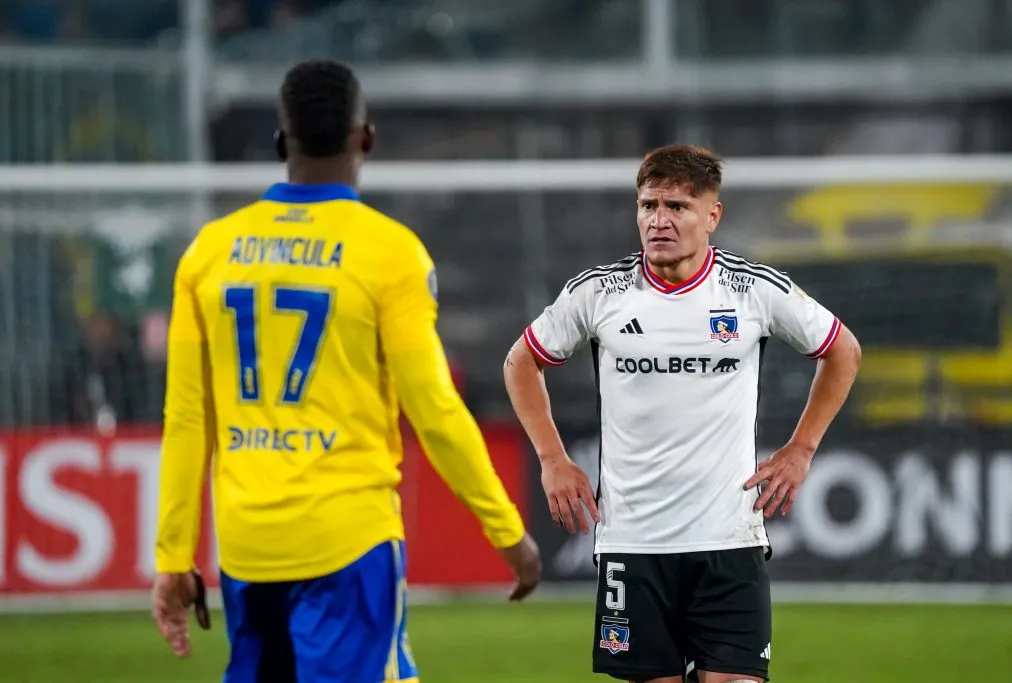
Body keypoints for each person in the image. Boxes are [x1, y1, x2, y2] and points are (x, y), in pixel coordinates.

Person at [152, 59, 541, 683]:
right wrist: (506, 530)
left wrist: (173, 555)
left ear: (281, 142)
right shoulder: (389, 253)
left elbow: (186, 418)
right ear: (366, 138)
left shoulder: (208, 253)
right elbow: (434, 409)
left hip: (247, 548)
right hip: (348, 541)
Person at [503, 144, 861, 683]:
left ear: (712, 216)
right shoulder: (599, 293)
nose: (659, 220)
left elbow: (843, 350)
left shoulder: (752, 290)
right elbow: (521, 361)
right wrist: (552, 458)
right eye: (648, 205)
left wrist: (802, 448)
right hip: (634, 543)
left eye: (677, 207)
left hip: (729, 540)